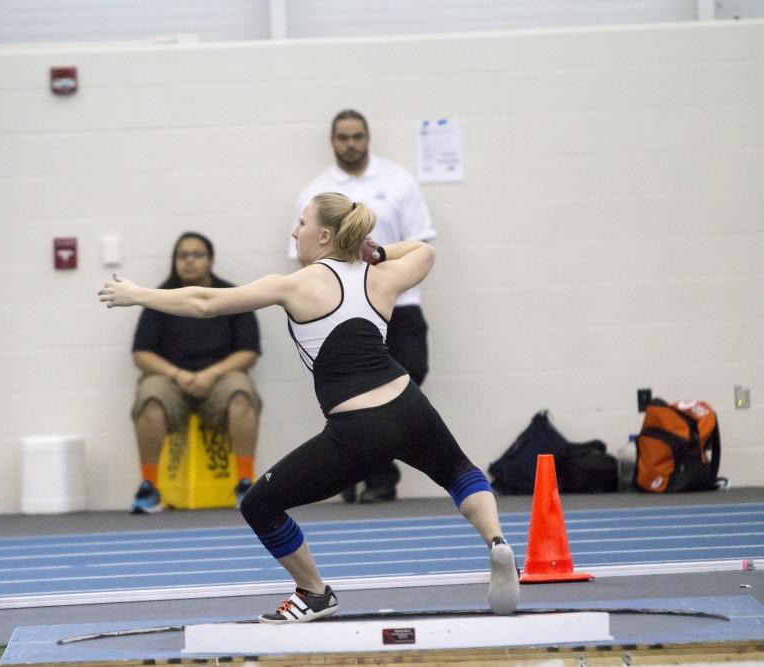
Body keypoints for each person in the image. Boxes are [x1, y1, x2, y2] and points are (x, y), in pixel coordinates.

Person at [101, 194, 519, 622]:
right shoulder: (380, 277)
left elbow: (204, 303)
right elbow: (425, 251)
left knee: (259, 504)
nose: (293, 231)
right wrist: (377, 253)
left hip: (356, 427)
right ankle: (497, 543)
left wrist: (138, 294)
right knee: (459, 472)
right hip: (409, 404)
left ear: (323, 235)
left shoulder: (295, 284)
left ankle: (314, 592)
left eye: (300, 223)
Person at [290, 109, 436, 504]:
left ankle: (365, 465)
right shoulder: (316, 192)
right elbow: (301, 253)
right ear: (332, 141)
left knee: (410, 373)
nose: (350, 144)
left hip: (397, 300)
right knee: (362, 391)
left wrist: (382, 263)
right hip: (345, 309)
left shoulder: (398, 180)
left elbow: (422, 239)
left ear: (367, 138)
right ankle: (377, 477)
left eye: (357, 136)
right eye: (343, 137)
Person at [128, 232, 263, 514]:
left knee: (241, 391)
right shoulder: (159, 299)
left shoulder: (233, 297)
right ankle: (149, 488)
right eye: (182, 255)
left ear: (210, 260)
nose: (189, 261)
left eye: (196, 254)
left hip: (219, 380)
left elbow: (248, 352)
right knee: (149, 395)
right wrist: (178, 375)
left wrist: (211, 374)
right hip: (172, 381)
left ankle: (245, 483)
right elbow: (141, 354)